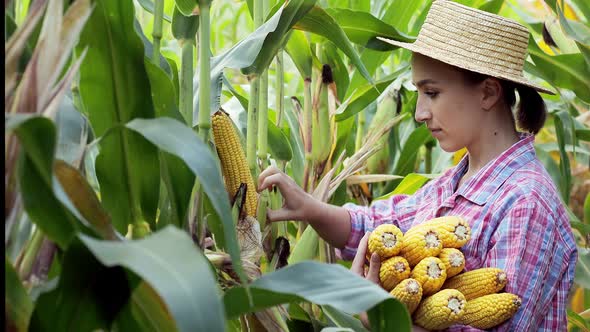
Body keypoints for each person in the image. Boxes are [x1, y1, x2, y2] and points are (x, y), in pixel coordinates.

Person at [257, 0, 578, 331]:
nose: (420, 113)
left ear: (487, 93)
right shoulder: (454, 183)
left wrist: (383, 320)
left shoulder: (526, 201)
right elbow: (379, 226)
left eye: (432, 93)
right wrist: (309, 208)